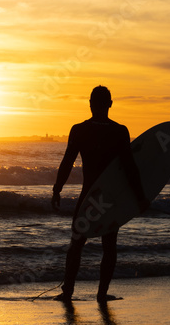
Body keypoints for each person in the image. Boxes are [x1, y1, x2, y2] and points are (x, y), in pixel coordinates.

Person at [51, 86, 149, 302]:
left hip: (88, 195)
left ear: (90, 104)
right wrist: (140, 197)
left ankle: (67, 292)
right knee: (109, 245)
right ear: (110, 104)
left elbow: (67, 162)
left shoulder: (79, 130)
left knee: (77, 242)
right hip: (110, 198)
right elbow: (130, 168)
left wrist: (57, 189)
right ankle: (102, 294)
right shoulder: (119, 131)